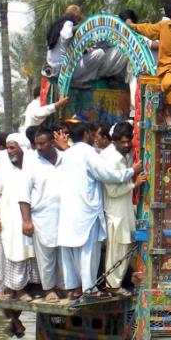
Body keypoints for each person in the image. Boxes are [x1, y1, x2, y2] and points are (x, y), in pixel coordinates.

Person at [56, 122, 142, 300]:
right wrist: (131, 173)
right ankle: (91, 290)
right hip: (87, 209)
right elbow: (107, 176)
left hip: (70, 209)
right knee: (89, 252)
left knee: (72, 252)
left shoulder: (67, 153)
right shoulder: (89, 153)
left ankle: (76, 288)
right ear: (87, 134)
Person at [0, 133, 37, 305]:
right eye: (7, 147)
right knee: (11, 251)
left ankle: (25, 287)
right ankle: (14, 289)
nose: (9, 151)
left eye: (12, 147)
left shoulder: (33, 166)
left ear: (22, 148)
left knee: (27, 252)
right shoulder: (2, 167)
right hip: (7, 218)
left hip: (29, 218)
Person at [19, 127, 64, 302]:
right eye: (36, 144)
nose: (38, 147)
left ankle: (65, 286)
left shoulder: (65, 159)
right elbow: (23, 194)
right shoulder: (32, 163)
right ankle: (49, 289)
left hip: (66, 215)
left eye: (42, 143)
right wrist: (26, 220)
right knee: (46, 255)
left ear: (52, 142)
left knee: (66, 254)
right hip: (42, 216)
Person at [100, 122, 144, 295]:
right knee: (117, 247)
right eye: (123, 142)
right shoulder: (111, 159)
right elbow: (112, 191)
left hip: (124, 207)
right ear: (114, 142)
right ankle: (113, 285)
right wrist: (134, 183)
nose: (126, 145)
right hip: (115, 209)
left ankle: (128, 278)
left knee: (126, 245)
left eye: (128, 142)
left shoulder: (125, 152)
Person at [44, 5, 83, 76]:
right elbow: (67, 34)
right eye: (78, 19)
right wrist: (81, 26)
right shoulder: (68, 23)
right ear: (76, 16)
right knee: (98, 54)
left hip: (52, 65)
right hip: (63, 66)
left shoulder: (55, 26)